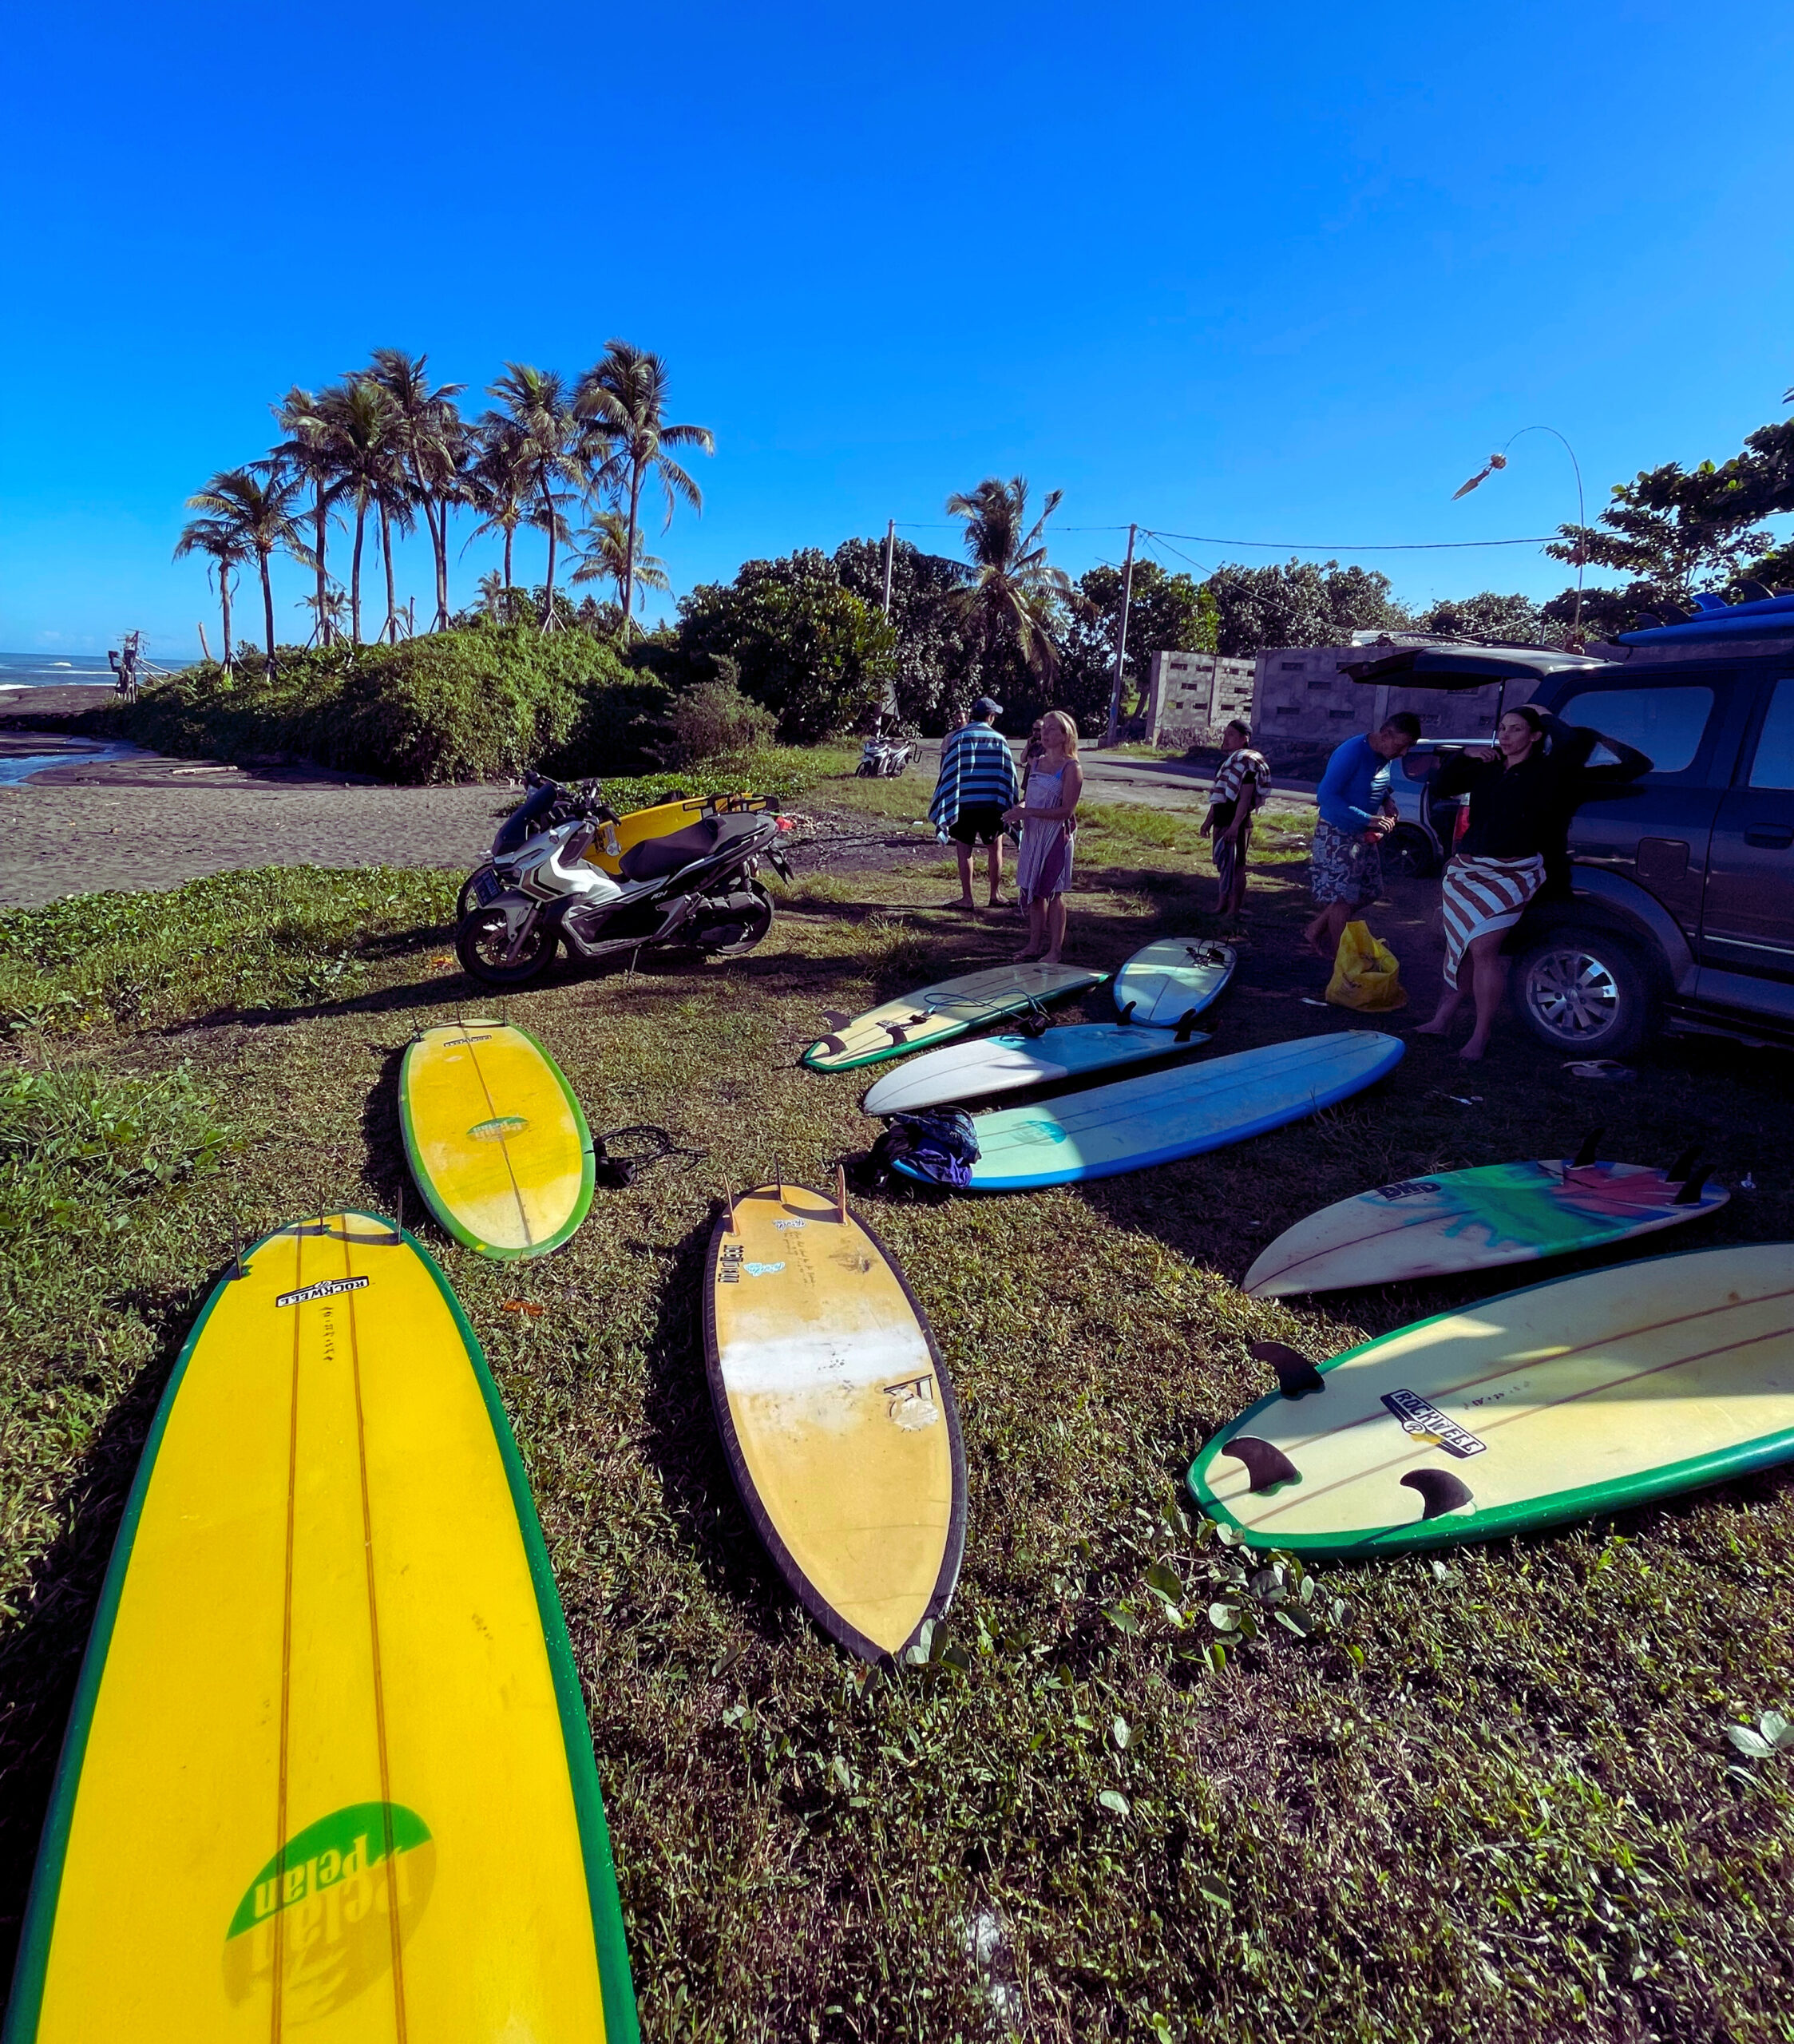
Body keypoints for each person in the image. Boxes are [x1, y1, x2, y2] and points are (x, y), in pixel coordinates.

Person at [1417, 704, 1652, 1060]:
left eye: (1516, 729)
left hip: (1512, 874)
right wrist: (1464, 754)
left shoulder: (1551, 772)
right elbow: (1442, 784)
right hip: (1467, 872)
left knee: (1483, 950)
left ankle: (1480, 1036)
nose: (1506, 736)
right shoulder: (1489, 768)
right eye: (1503, 728)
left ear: (1536, 735)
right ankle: (1443, 1019)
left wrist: (1554, 719)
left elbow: (1632, 764)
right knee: (1460, 948)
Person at [1302, 713, 1421, 961]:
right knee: (1343, 899)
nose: (1403, 753)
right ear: (1386, 735)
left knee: (1371, 891)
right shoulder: (1353, 752)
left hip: (1362, 834)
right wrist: (1368, 818)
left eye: (1408, 747)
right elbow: (1326, 796)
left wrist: (1387, 800)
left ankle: (1315, 929)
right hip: (1337, 833)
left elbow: (1374, 781)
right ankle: (1341, 961)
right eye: (1401, 745)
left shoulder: (1384, 754)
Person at [929, 695, 1021, 910]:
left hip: (964, 805)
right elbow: (1008, 776)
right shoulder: (999, 739)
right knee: (995, 849)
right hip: (992, 804)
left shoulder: (958, 738)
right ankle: (995, 894)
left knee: (964, 850)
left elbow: (948, 773)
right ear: (990, 717)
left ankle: (967, 898)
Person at [1004, 710, 1083, 963]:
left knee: (1054, 892)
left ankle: (1055, 951)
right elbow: (1031, 798)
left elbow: (1066, 810)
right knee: (1032, 891)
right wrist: (1020, 810)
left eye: (1052, 729)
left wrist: (1030, 813)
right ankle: (1033, 945)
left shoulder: (1072, 768)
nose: (1045, 734)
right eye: (1044, 728)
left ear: (1065, 735)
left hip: (1056, 837)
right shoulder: (1036, 763)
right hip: (1033, 834)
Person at [1201, 717, 1272, 924]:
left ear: (1245, 739)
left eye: (1232, 735)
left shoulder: (1247, 766)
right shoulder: (1225, 765)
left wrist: (1235, 826)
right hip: (1221, 821)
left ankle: (1234, 908)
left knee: (1237, 866)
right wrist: (1208, 822)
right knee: (1223, 865)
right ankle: (1221, 904)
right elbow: (1219, 796)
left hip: (1237, 825)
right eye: (1226, 734)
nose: (1227, 739)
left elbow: (1245, 798)